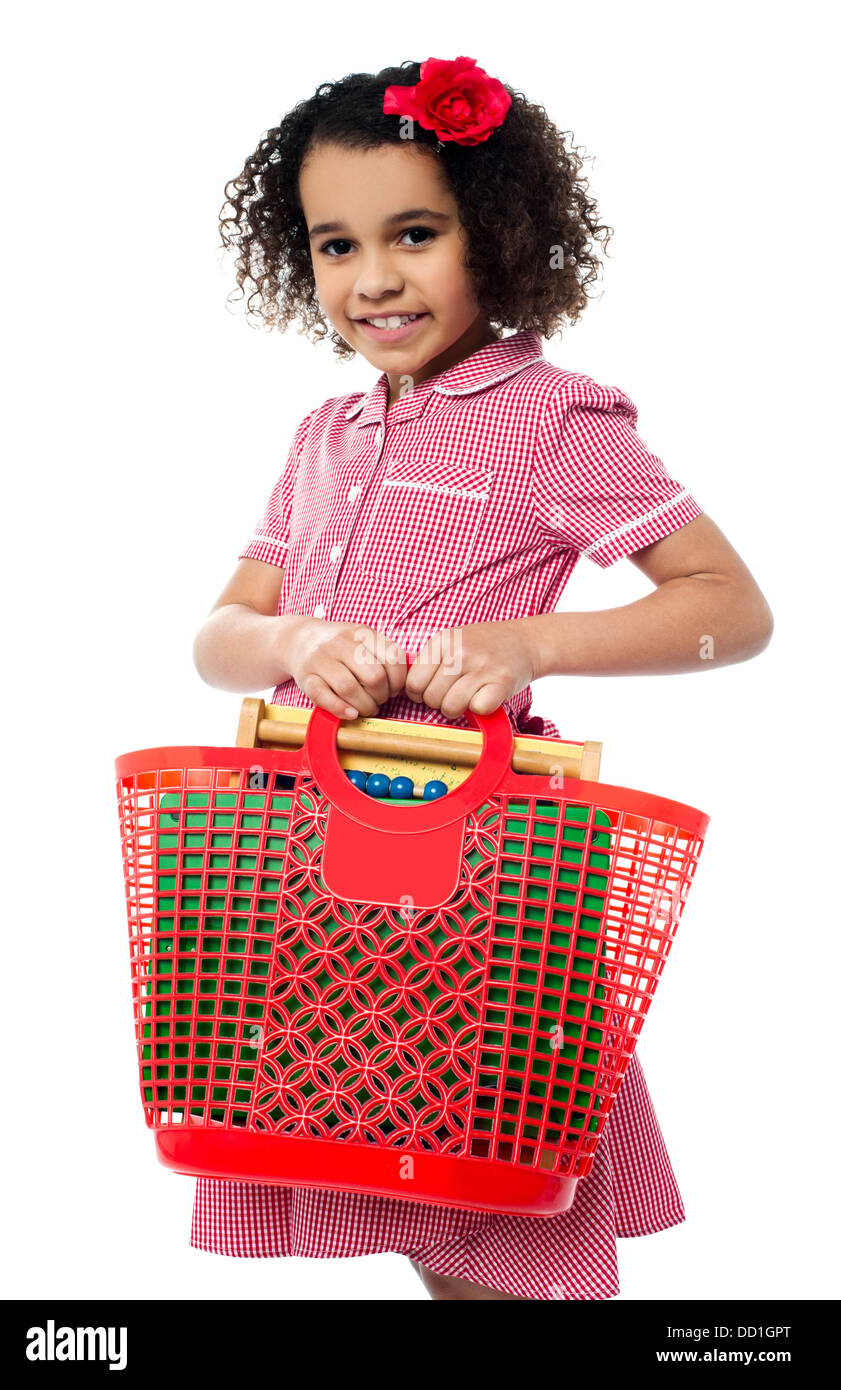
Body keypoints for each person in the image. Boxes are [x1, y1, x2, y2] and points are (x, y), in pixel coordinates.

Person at [190, 56, 773, 1300]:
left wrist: (530, 644)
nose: (375, 278)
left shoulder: (556, 418)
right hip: (310, 859)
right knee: (384, 1175)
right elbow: (221, 633)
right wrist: (294, 643)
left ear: (497, 233)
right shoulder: (322, 435)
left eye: (415, 232)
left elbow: (731, 606)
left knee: (493, 1204)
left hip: (475, 857)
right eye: (335, 244)